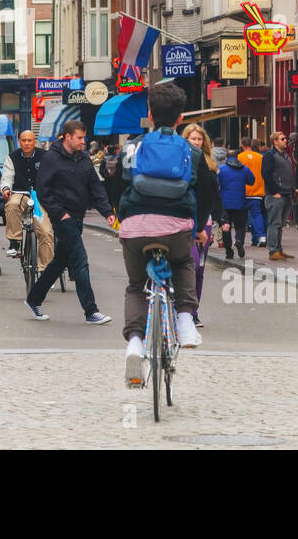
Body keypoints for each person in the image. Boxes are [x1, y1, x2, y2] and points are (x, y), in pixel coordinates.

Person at [115, 85, 207, 381]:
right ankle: (184, 321)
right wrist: (199, 228)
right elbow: (207, 193)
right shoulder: (192, 152)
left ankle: (134, 344)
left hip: (136, 226)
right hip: (176, 225)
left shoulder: (132, 146)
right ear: (180, 118)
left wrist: (123, 217)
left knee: (135, 284)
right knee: (182, 262)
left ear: (150, 115)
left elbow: (116, 184)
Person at [26, 121, 114, 325]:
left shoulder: (83, 158)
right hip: (63, 218)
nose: (84, 142)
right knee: (80, 259)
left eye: (84, 138)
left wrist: (107, 212)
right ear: (68, 137)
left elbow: (95, 187)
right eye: (80, 138)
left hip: (77, 216)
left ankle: (34, 298)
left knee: (60, 262)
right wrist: (60, 214)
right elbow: (43, 190)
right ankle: (91, 311)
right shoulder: (51, 159)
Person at [182, 124, 222, 326]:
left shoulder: (210, 164)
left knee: (200, 269)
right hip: (186, 222)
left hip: (205, 221)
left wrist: (221, 219)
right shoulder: (181, 161)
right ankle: (183, 308)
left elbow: (214, 195)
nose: (196, 142)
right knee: (191, 264)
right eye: (193, 139)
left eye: (199, 139)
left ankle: (193, 310)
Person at [0, 130, 52, 264]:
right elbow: (7, 176)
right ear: (19, 142)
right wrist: (6, 188)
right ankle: (15, 242)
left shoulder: (45, 156)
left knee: (46, 232)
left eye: (30, 140)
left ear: (35, 142)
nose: (27, 143)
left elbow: (52, 176)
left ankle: (46, 271)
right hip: (20, 194)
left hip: (40, 197)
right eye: (24, 140)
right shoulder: (12, 157)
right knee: (12, 204)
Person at [216, 146, 255, 259]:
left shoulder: (221, 169)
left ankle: (229, 251)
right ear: (237, 157)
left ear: (226, 158)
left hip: (225, 203)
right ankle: (239, 240)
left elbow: (216, 184)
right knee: (240, 226)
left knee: (225, 227)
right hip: (240, 202)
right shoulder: (244, 169)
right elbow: (251, 181)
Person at [262, 131, 296, 261]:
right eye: (282, 139)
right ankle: (273, 251)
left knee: (280, 223)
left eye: (285, 138)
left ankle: (279, 249)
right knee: (274, 223)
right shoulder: (270, 155)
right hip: (276, 195)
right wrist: (273, 191)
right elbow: (266, 174)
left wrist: (292, 190)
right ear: (275, 141)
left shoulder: (285, 155)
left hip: (286, 193)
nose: (286, 140)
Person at [238, 137, 267, 246]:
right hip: (258, 191)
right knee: (257, 215)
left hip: (244, 191)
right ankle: (261, 237)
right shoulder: (260, 157)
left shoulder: (239, 157)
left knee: (243, 217)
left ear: (242, 145)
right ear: (251, 144)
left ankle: (240, 239)